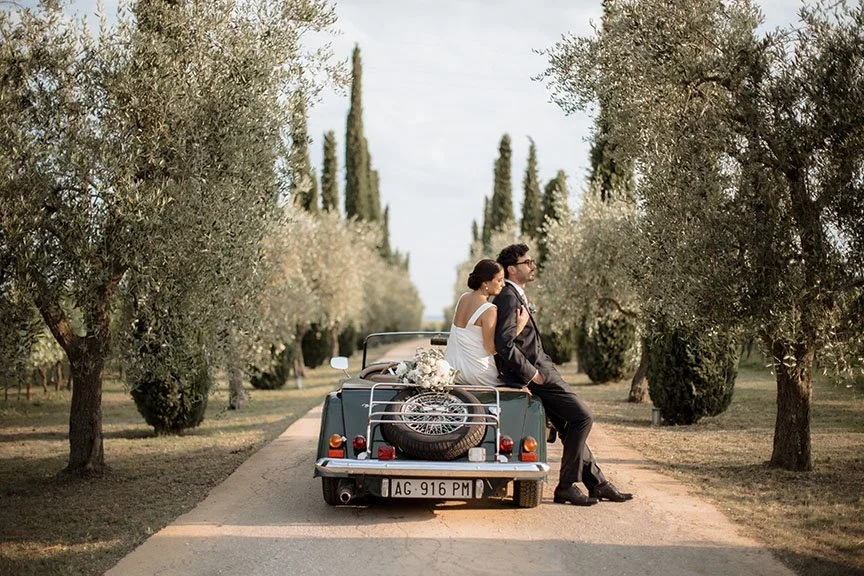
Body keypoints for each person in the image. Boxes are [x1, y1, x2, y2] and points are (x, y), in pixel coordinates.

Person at [493, 243, 633, 506]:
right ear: (511, 269)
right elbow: (504, 344)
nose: (533, 265)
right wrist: (532, 374)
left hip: (541, 369)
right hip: (537, 374)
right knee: (583, 417)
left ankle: (597, 483)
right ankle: (566, 486)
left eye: (532, 261)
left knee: (569, 426)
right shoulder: (508, 297)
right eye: (527, 262)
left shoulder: (515, 294)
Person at [445, 259, 529, 387]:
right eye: (499, 280)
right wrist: (519, 327)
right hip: (477, 373)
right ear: (485, 283)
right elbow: (491, 349)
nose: (503, 285)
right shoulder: (489, 309)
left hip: (453, 369)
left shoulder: (463, 298)